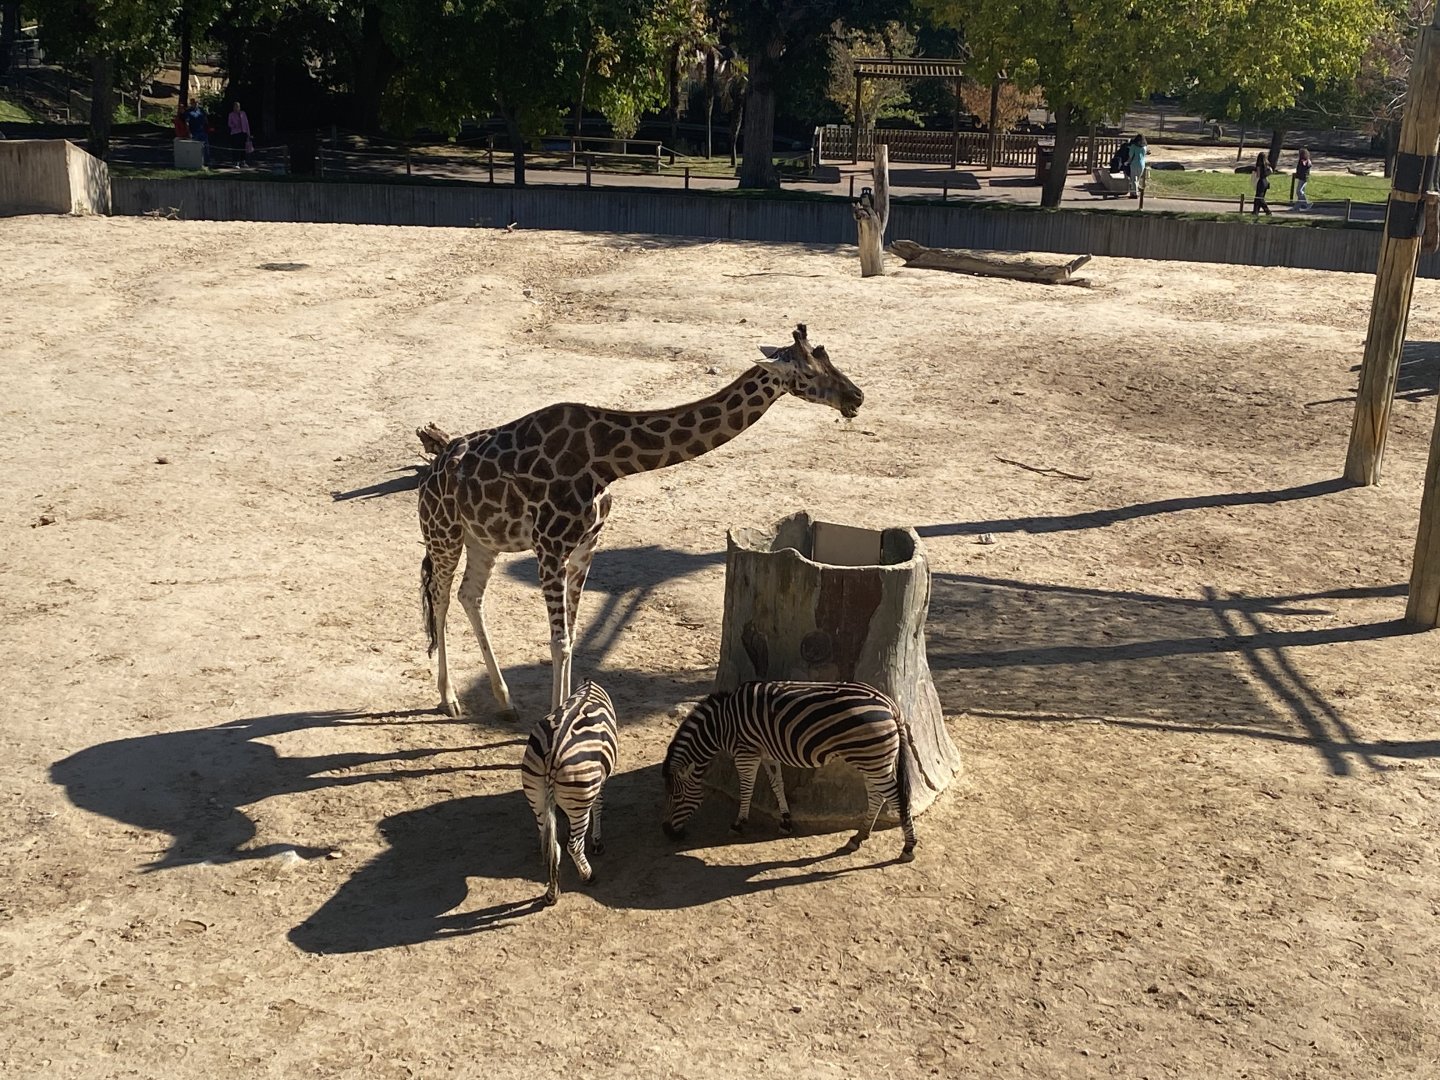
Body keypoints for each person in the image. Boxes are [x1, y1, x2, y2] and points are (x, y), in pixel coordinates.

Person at [184, 98, 210, 165]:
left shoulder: (201, 110)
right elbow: (187, 123)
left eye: (196, 103)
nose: (195, 104)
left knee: (206, 147)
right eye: (193, 103)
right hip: (194, 132)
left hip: (203, 131)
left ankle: (206, 162)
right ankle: (195, 163)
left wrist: (207, 127)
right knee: (195, 148)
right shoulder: (188, 112)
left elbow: (205, 119)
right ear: (191, 104)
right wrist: (189, 132)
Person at [227, 101, 252, 166]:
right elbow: (229, 124)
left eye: (238, 107)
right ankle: (236, 162)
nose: (236, 108)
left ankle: (243, 161)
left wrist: (248, 133)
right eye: (235, 107)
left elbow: (246, 123)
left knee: (243, 147)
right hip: (235, 133)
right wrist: (234, 125)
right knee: (236, 147)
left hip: (243, 132)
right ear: (233, 107)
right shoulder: (231, 114)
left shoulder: (243, 113)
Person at [1251, 151, 1273, 216]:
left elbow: (1258, 175)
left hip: (1261, 182)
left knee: (1259, 198)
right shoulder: (1267, 164)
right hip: (1266, 181)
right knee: (1258, 198)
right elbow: (1271, 171)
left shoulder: (1259, 165)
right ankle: (1255, 211)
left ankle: (1267, 211)